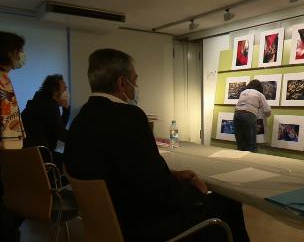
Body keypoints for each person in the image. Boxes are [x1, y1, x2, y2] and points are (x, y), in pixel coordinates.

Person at [63, 48, 249, 242]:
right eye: (134, 80)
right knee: (227, 202)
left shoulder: (80, 120)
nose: (136, 86)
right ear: (121, 83)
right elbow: (158, 191)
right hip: (140, 225)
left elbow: (128, 171)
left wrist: (172, 175)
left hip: (106, 223)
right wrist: (196, 191)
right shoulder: (129, 117)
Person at [0, 31, 26, 242]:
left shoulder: (4, 79)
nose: (21, 56)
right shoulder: (1, 80)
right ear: (9, 52)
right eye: (19, 51)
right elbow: (8, 125)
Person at [21, 74, 70, 166]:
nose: (66, 91)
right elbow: (61, 133)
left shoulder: (40, 100)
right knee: (72, 162)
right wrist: (79, 139)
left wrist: (66, 110)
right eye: (64, 88)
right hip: (40, 155)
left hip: (29, 153)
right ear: (55, 91)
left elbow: (58, 127)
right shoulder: (49, 105)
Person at [233, 79, 271, 152]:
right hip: (249, 115)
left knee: (240, 142)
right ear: (259, 87)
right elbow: (267, 110)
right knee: (251, 144)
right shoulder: (259, 94)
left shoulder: (243, 92)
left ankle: (239, 161)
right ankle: (250, 161)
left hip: (237, 114)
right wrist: (266, 115)